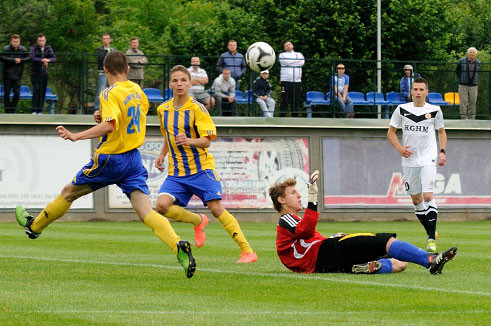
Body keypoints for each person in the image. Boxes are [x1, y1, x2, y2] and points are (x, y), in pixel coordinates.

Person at [14, 51, 197, 278]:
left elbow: (110, 126)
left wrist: (76, 135)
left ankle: (34, 227)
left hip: (110, 157)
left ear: (106, 71)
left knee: (68, 193)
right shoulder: (138, 91)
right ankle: (177, 244)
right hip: (133, 159)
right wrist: (104, 116)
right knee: (145, 211)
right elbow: (129, 117)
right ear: (128, 69)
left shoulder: (109, 93)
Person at [154, 65, 258, 264]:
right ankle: (197, 220)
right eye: (175, 81)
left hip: (201, 169)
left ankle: (247, 251)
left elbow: (207, 141)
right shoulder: (162, 109)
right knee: (161, 206)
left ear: (190, 83)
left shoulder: (197, 109)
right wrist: (161, 155)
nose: (179, 84)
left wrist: (189, 141)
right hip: (176, 172)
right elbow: (168, 135)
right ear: (170, 84)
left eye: (183, 80)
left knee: (216, 209)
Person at [271, 170, 457, 274]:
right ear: (281, 200)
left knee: (401, 264)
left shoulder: (290, 223)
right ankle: (430, 260)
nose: (298, 195)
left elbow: (305, 240)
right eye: (293, 193)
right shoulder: (285, 219)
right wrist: (313, 197)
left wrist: (332, 237)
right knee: (382, 241)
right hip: (326, 254)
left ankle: (360, 268)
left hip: (325, 264)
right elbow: (306, 232)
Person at [387, 77, 447, 252]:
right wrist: (399, 149)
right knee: (416, 200)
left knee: (428, 196)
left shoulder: (435, 110)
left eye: (422, 90)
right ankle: (431, 230)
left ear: (426, 92)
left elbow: (442, 132)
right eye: (416, 89)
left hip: (428, 159)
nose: (419, 93)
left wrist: (442, 151)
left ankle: (430, 238)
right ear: (411, 92)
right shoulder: (402, 109)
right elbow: (390, 132)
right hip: (409, 161)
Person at [28, 33, 56, 114]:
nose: (41, 42)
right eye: (40, 41)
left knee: (42, 91)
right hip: (35, 73)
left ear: (45, 40)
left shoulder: (48, 48)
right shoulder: (34, 48)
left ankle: (40, 110)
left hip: (44, 73)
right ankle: (34, 110)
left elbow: (54, 58)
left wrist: (48, 60)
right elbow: (31, 57)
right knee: (36, 90)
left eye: (43, 40)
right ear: (37, 41)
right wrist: (42, 60)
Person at [1, 34, 29, 113]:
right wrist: (13, 60)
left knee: (17, 94)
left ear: (19, 42)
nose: (15, 43)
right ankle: (7, 110)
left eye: (17, 42)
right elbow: (2, 57)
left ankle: (12, 109)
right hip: (7, 75)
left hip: (18, 75)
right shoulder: (6, 49)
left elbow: (29, 57)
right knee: (6, 93)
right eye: (14, 41)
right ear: (11, 41)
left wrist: (21, 60)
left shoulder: (22, 49)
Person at [278, 41, 305, 117]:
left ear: (292, 45)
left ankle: (295, 117)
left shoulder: (299, 54)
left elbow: (302, 62)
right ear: (284, 48)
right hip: (285, 80)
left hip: (297, 81)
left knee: (295, 100)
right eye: (286, 45)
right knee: (284, 99)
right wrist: (296, 62)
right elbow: (286, 62)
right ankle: (282, 116)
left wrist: (290, 62)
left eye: (289, 44)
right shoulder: (282, 55)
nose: (288, 46)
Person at [455, 47, 480, 120]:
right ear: (468, 53)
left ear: (475, 54)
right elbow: (457, 70)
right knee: (463, 102)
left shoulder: (478, 62)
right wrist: (462, 78)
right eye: (471, 52)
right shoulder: (462, 61)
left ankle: (471, 117)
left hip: (473, 85)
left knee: (473, 101)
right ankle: (463, 117)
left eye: (473, 52)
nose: (472, 54)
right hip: (463, 85)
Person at [94, 33, 115, 110]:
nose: (106, 40)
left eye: (107, 38)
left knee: (112, 91)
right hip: (103, 73)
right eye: (104, 39)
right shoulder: (99, 50)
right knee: (101, 90)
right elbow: (101, 59)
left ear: (110, 40)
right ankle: (97, 108)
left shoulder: (113, 50)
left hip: (112, 73)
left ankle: (110, 107)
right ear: (102, 40)